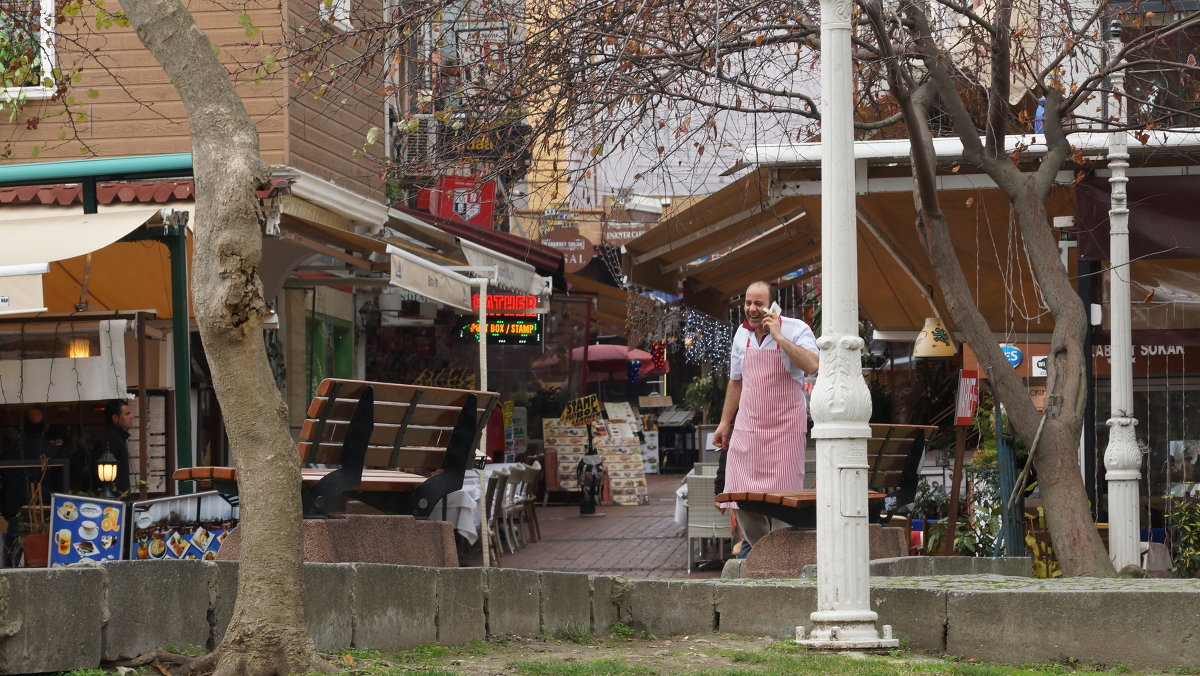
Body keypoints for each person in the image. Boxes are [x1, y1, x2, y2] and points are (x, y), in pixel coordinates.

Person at [712, 281, 819, 547]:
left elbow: (812, 364)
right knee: (740, 494)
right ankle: (763, 551)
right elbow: (736, 381)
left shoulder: (796, 329)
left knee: (787, 496)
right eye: (748, 303)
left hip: (785, 430)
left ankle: (784, 554)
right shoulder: (741, 334)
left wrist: (780, 337)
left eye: (758, 303)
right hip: (748, 428)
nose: (752, 309)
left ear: (772, 305)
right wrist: (725, 422)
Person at [98, 399, 134, 494]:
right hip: (115, 499)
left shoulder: (118, 437)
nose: (132, 417)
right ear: (115, 418)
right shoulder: (111, 438)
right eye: (127, 414)